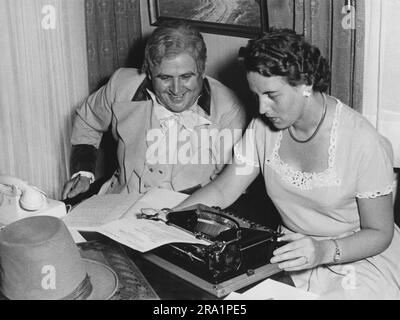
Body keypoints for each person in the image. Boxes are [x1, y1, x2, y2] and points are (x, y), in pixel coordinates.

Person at [175, 28, 400, 299]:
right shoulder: (262, 128)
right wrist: (169, 216)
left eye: (272, 95)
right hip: (289, 252)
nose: (261, 108)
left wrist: (323, 251)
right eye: (256, 95)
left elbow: (380, 233)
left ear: (305, 83)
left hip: (356, 258)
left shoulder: (363, 141)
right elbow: (224, 189)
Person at [62, 20, 246, 202]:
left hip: (189, 212)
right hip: (120, 203)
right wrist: (84, 171)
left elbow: (227, 185)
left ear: (202, 71)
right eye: (165, 77)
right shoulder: (121, 86)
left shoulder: (228, 109)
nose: (176, 89)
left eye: (186, 77)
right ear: (149, 73)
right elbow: (88, 121)